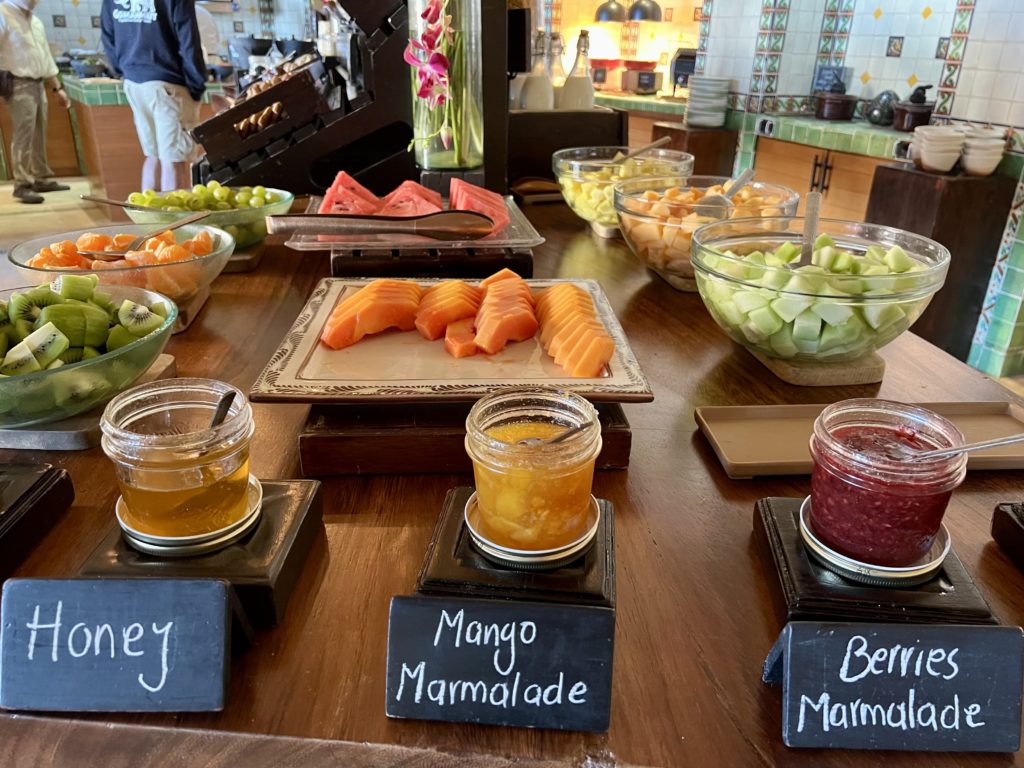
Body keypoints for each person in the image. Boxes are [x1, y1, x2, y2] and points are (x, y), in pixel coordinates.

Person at [100, 0, 207, 192]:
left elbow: (108, 37)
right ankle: (176, 221)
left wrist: (124, 70)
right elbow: (189, 40)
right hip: (168, 84)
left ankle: (150, 220)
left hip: (134, 82)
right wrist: (197, 85)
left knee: (153, 155)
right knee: (174, 160)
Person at [0, 0, 72, 204]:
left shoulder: (35, 21)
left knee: (38, 132)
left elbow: (46, 58)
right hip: (17, 83)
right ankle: (22, 184)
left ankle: (41, 177)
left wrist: (57, 88)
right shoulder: (3, 14)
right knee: (24, 134)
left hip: (39, 83)